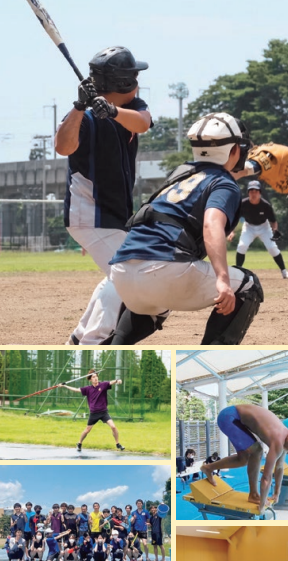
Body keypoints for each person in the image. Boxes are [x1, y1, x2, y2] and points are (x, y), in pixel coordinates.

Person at [107, 112, 267, 345]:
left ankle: (115, 348)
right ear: (234, 150)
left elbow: (217, 171)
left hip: (122, 275)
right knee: (248, 285)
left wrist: (253, 167)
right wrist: (222, 278)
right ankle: (213, 355)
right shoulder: (224, 185)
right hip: (165, 271)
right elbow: (212, 222)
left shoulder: (180, 175)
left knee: (155, 298)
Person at [56, 47, 152, 345]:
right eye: (134, 76)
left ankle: (80, 336)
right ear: (124, 83)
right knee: (130, 276)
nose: (138, 83)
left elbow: (143, 122)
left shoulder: (132, 106)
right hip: (90, 215)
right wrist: (78, 107)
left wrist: (111, 110)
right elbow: (63, 146)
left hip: (114, 216)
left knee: (124, 273)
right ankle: (93, 341)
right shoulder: (83, 116)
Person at [203, 403, 288, 508]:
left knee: (243, 459)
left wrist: (277, 493)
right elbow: (266, 478)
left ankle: (208, 468)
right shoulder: (279, 441)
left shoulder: (287, 438)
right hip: (228, 417)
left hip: (235, 418)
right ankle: (253, 495)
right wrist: (262, 505)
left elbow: (279, 467)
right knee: (257, 450)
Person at [230, 181, 288, 278]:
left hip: (264, 227)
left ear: (260, 193)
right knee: (242, 246)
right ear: (248, 193)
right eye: (251, 191)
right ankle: (238, 274)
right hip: (248, 226)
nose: (253, 193)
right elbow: (235, 218)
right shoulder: (243, 204)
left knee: (272, 248)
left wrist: (275, 231)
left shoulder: (265, 205)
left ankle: (284, 272)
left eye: (256, 191)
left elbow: (273, 221)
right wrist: (231, 231)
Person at [54, 372, 125, 452]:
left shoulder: (103, 385)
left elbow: (110, 382)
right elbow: (76, 390)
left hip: (103, 412)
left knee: (113, 427)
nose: (95, 378)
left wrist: (117, 380)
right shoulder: (88, 389)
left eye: (96, 376)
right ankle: (79, 443)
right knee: (87, 430)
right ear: (90, 379)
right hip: (94, 413)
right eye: (93, 377)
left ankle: (118, 444)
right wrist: (64, 386)